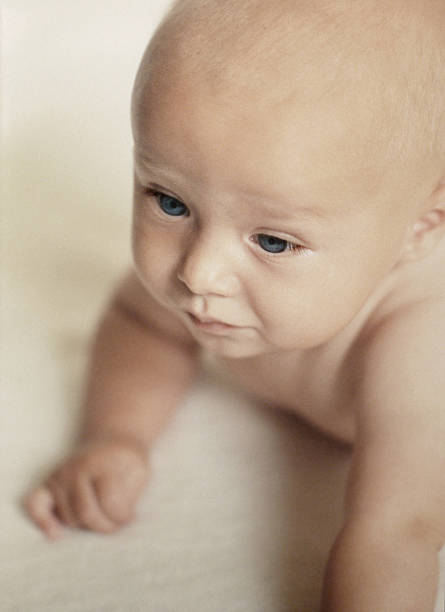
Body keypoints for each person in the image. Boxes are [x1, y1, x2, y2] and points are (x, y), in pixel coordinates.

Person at [25, 0, 445, 609]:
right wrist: (116, 436)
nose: (199, 273)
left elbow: (398, 534)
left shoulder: (419, 350)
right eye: (169, 201)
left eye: (273, 241)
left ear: (419, 230)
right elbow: (139, 321)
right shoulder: (216, 252)